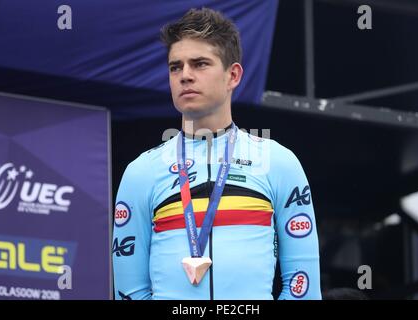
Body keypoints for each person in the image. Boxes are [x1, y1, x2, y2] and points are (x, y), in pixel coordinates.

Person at [112, 7, 321, 300]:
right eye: (176, 67)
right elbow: (129, 292)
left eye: (199, 64)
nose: (185, 75)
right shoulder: (141, 171)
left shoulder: (279, 162)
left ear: (232, 75)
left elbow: (303, 287)